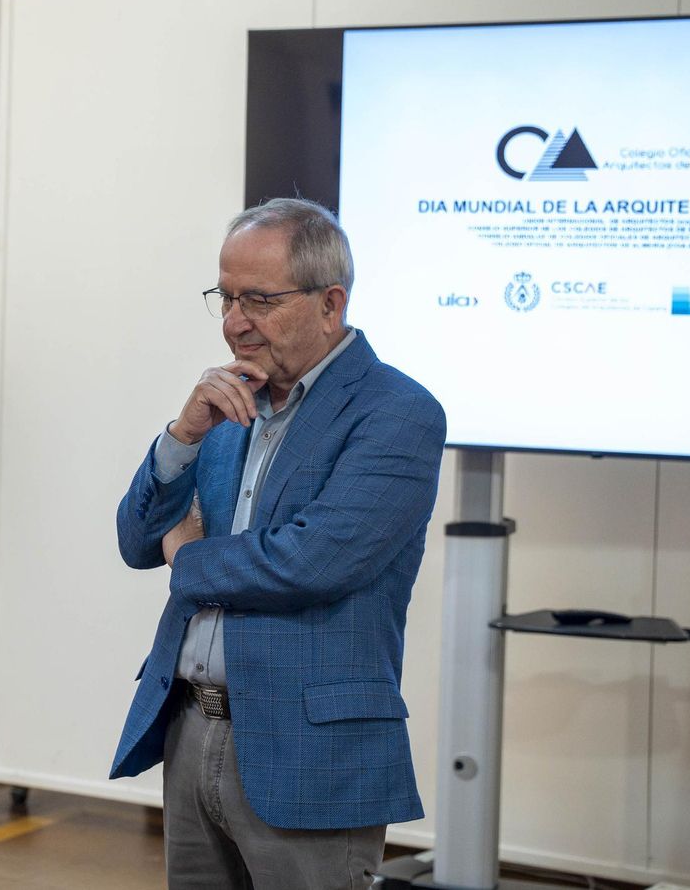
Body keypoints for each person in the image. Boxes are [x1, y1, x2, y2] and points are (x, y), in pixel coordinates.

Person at [109, 199, 447, 889]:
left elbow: (310, 560)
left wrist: (189, 556)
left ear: (330, 303)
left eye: (259, 300)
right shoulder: (228, 406)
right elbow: (136, 538)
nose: (235, 321)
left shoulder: (398, 413)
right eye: (227, 297)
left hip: (311, 749)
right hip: (191, 727)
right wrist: (182, 438)